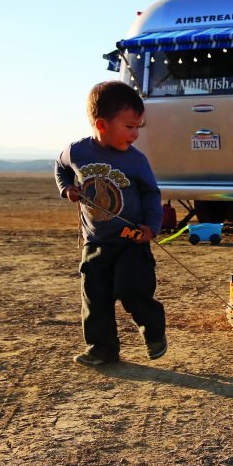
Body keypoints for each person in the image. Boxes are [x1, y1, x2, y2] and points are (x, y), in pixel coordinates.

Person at [54, 81, 167, 366]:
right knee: (95, 296)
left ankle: (154, 330)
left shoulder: (136, 161)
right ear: (102, 125)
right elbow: (61, 166)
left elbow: (152, 194)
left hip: (131, 240)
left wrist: (151, 228)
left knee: (132, 289)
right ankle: (102, 348)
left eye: (138, 126)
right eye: (130, 127)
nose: (136, 134)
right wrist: (67, 188)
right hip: (95, 242)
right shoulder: (78, 152)